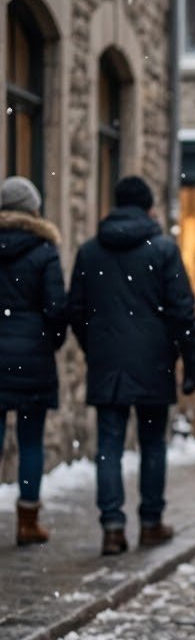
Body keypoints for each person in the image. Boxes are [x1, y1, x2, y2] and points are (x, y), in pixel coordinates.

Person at [68, 176, 195, 556]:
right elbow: (181, 312)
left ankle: (112, 526)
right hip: (153, 360)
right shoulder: (162, 250)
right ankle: (150, 522)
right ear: (149, 208)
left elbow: (75, 309)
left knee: (109, 445)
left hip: (108, 361)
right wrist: (191, 361)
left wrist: (94, 346)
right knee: (152, 445)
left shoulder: (91, 251)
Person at [0, 177, 67, 546]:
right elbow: (57, 309)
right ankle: (27, 521)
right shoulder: (44, 251)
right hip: (32, 357)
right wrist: (47, 342)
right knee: (30, 441)